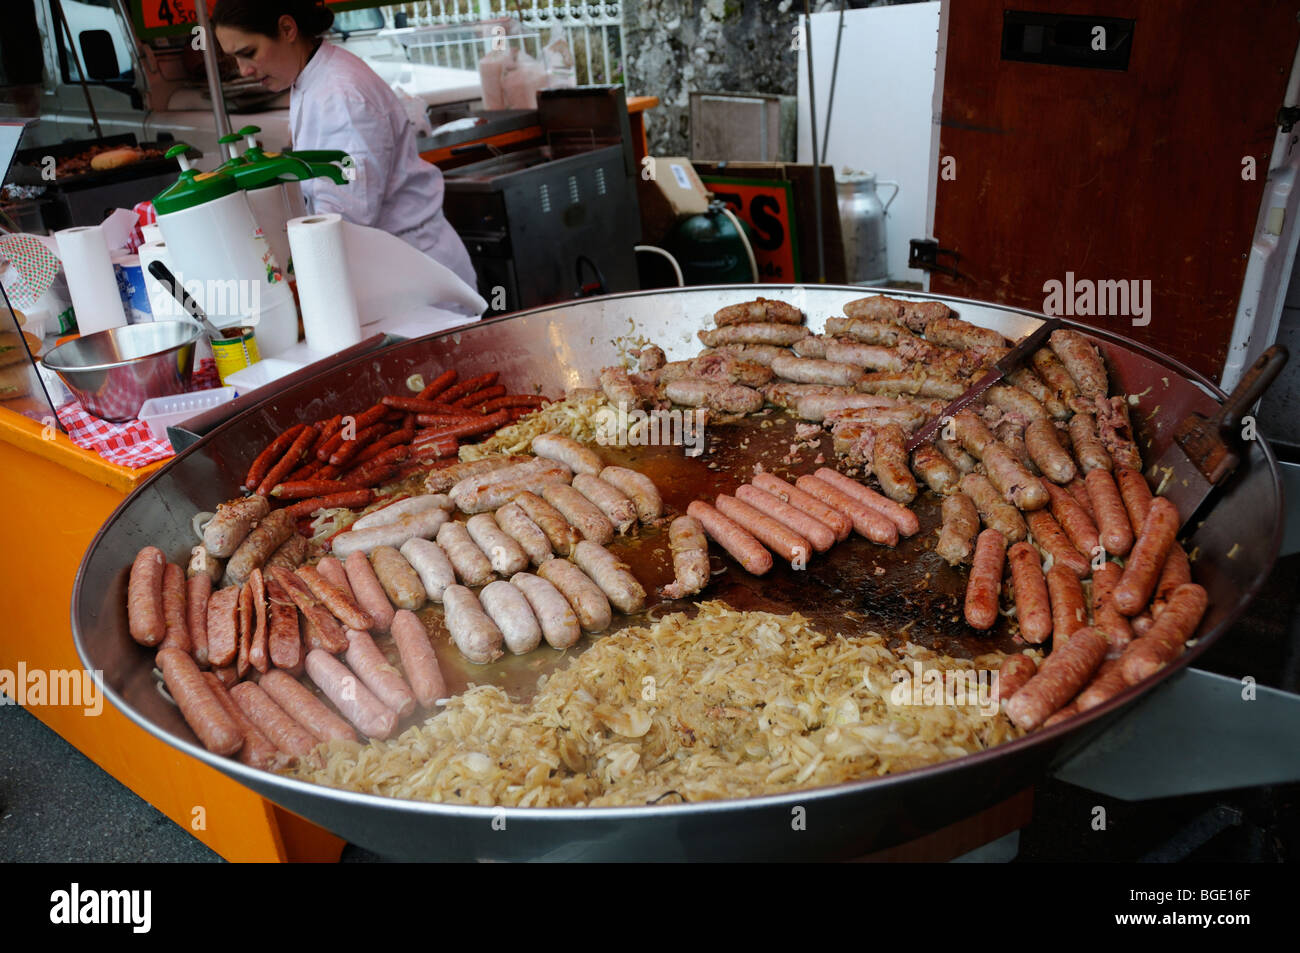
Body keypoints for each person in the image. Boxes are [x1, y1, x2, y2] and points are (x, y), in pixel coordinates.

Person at [211, 0, 476, 289]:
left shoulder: (341, 95)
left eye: (248, 53)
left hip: (415, 275)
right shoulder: (312, 79)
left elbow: (343, 218)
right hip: (394, 268)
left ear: (287, 29)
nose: (243, 71)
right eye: (234, 59)